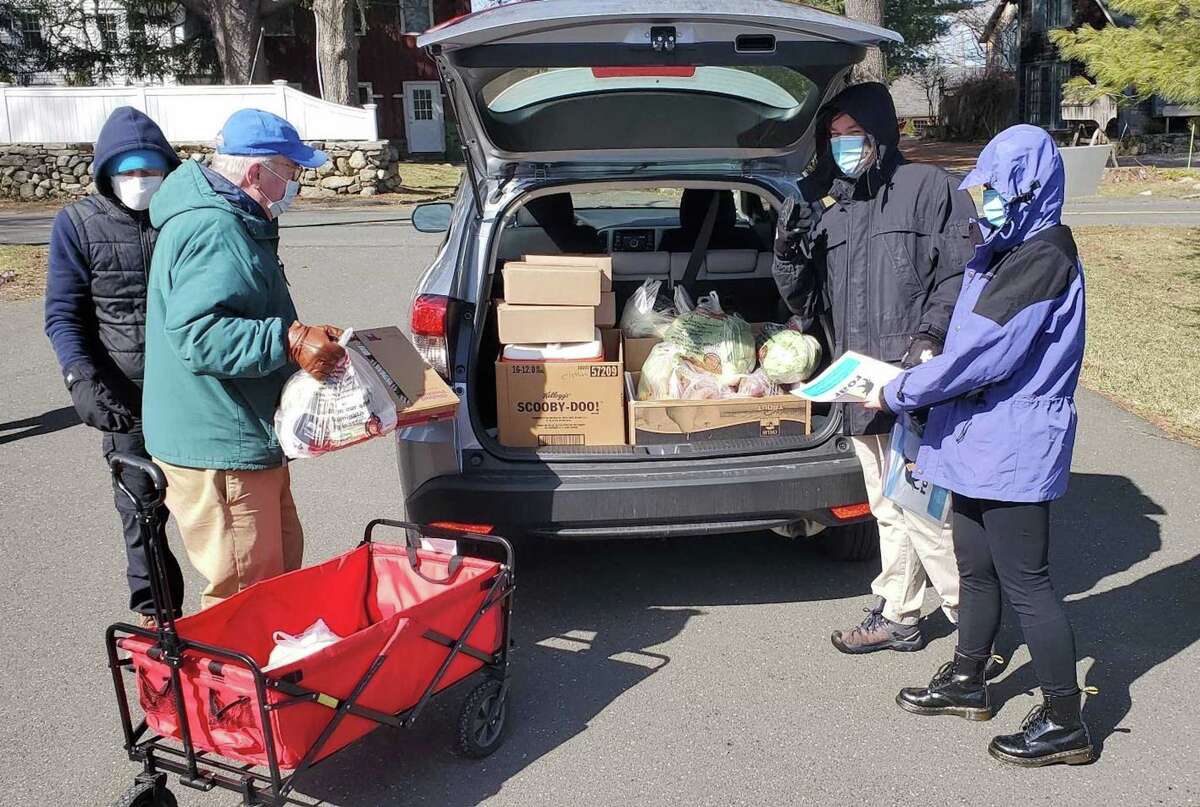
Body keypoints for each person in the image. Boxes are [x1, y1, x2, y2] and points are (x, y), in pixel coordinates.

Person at [871, 125, 1093, 767]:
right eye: (982, 187)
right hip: (973, 434)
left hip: (1013, 440)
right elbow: (967, 337)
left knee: (1029, 582)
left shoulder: (1043, 255)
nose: (984, 200)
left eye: (996, 189)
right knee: (974, 566)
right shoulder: (1001, 245)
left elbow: (987, 358)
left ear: (1028, 188)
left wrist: (898, 390)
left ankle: (1064, 720)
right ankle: (970, 680)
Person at [773, 82, 977, 654]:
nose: (843, 145)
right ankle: (899, 612)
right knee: (888, 509)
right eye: (833, 137)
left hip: (914, 381)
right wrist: (790, 241)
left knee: (930, 517)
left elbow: (960, 273)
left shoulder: (929, 187)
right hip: (859, 383)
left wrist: (930, 340)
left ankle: (974, 629)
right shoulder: (832, 205)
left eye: (853, 134)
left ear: (880, 132)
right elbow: (804, 302)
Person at [142, 109, 345, 609]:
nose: (295, 184)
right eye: (291, 172)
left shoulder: (235, 219)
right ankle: (237, 686)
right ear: (257, 173)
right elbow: (198, 333)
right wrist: (288, 340)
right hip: (219, 439)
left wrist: (295, 337)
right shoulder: (215, 227)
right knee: (244, 595)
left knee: (274, 574)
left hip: (241, 431)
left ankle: (270, 678)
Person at [44, 106, 185, 626]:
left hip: (193, 392)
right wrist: (80, 377)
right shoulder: (78, 224)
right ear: (107, 172)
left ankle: (230, 614)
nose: (140, 180)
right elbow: (63, 314)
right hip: (127, 400)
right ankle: (158, 617)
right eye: (128, 170)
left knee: (211, 510)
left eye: (151, 169)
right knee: (141, 511)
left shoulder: (185, 215)